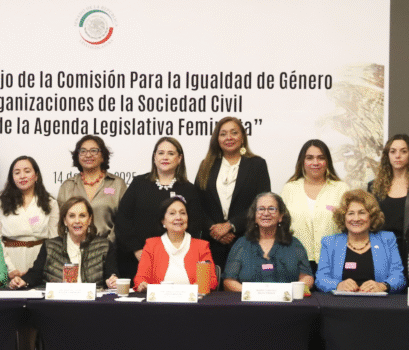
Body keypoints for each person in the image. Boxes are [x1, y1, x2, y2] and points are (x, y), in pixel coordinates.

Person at [115, 137, 204, 282]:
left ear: (179, 158)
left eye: (171, 153)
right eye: (161, 153)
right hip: (136, 259)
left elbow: (195, 225)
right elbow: (123, 219)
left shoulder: (189, 189)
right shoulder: (139, 184)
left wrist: (178, 254)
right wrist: (137, 250)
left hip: (176, 261)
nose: (165, 157)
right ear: (154, 157)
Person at [194, 117, 271, 268]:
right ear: (217, 139)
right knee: (211, 282)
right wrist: (214, 230)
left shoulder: (257, 165)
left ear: (242, 137)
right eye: (223, 134)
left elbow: (262, 204)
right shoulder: (206, 165)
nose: (228, 137)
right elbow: (197, 204)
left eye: (234, 133)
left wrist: (231, 225)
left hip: (247, 242)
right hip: (211, 245)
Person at [9, 197, 118, 289]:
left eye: (82, 216)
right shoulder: (50, 246)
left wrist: (113, 280)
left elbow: (111, 275)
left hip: (92, 304)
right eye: (72, 216)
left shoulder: (104, 246)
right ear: (65, 221)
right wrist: (23, 281)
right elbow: (35, 274)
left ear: (89, 219)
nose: (77, 221)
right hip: (58, 304)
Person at [315, 189, 405, 293]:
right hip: (341, 301)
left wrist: (383, 286)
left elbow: (399, 278)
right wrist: (338, 285)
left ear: (371, 216)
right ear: (344, 217)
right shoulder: (330, 242)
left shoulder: (387, 239)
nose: (356, 218)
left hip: (377, 301)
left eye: (362, 213)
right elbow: (321, 279)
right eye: (351, 213)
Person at [367, 134, 409, 272]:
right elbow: (370, 225)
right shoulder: (373, 187)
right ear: (387, 155)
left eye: (403, 151)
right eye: (393, 151)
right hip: (382, 252)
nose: (398, 156)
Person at [223, 192, 314, 291]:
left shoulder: (294, 244)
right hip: (250, 300)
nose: (266, 213)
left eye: (271, 209)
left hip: (286, 299)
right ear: (254, 216)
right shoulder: (242, 244)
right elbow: (229, 281)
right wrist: (253, 293)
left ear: (281, 216)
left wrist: (288, 292)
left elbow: (307, 278)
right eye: (261, 209)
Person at [280, 139, 349, 270]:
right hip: (296, 261)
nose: (315, 163)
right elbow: (280, 226)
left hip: (334, 260)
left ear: (327, 161)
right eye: (310, 158)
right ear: (302, 161)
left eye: (321, 158)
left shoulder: (341, 188)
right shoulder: (289, 189)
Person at [0, 156, 59, 280]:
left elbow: (54, 241)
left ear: (36, 176)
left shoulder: (50, 203)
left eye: (27, 171)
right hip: (8, 261)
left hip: (40, 262)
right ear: (12, 178)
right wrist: (10, 268)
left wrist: (37, 269)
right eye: (17, 173)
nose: (22, 176)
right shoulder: (0, 203)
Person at [134, 196, 217, 292]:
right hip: (160, 300)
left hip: (192, 299)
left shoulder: (201, 246)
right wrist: (142, 284)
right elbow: (140, 278)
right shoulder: (151, 245)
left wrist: (199, 287)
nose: (178, 217)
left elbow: (211, 280)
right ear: (163, 221)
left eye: (183, 213)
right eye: (172, 213)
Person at [56, 135, 127, 241]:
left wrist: (107, 244)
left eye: (94, 151)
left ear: (103, 156)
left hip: (109, 246)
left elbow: (124, 219)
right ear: (77, 156)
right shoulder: (67, 186)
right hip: (74, 246)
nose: (88, 155)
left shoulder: (117, 184)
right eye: (83, 151)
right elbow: (60, 221)